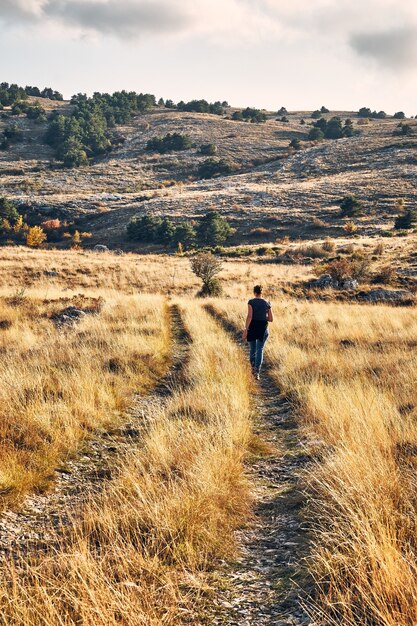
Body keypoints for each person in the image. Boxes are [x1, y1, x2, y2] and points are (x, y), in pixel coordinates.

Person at [242, 285, 273, 379]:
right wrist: (263, 317)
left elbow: (250, 316)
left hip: (253, 328)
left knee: (252, 349)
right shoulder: (267, 303)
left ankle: (252, 368)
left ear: (254, 292)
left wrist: (245, 329)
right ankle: (257, 371)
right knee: (260, 350)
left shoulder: (251, 302)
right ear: (261, 292)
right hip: (263, 328)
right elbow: (271, 319)